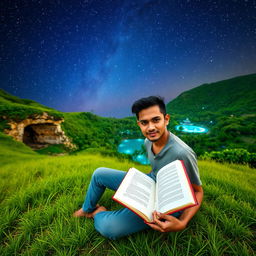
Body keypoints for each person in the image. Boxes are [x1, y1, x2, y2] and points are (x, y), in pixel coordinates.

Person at [73, 96, 203, 239]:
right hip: (152, 183)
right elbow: (155, 170)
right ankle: (87, 209)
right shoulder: (148, 141)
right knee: (99, 174)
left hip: (168, 200)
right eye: (144, 122)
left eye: (156, 120)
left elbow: (197, 192)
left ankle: (98, 213)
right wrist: (141, 183)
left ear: (166, 119)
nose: (151, 127)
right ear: (139, 124)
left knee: (110, 228)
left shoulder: (182, 153)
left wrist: (182, 222)